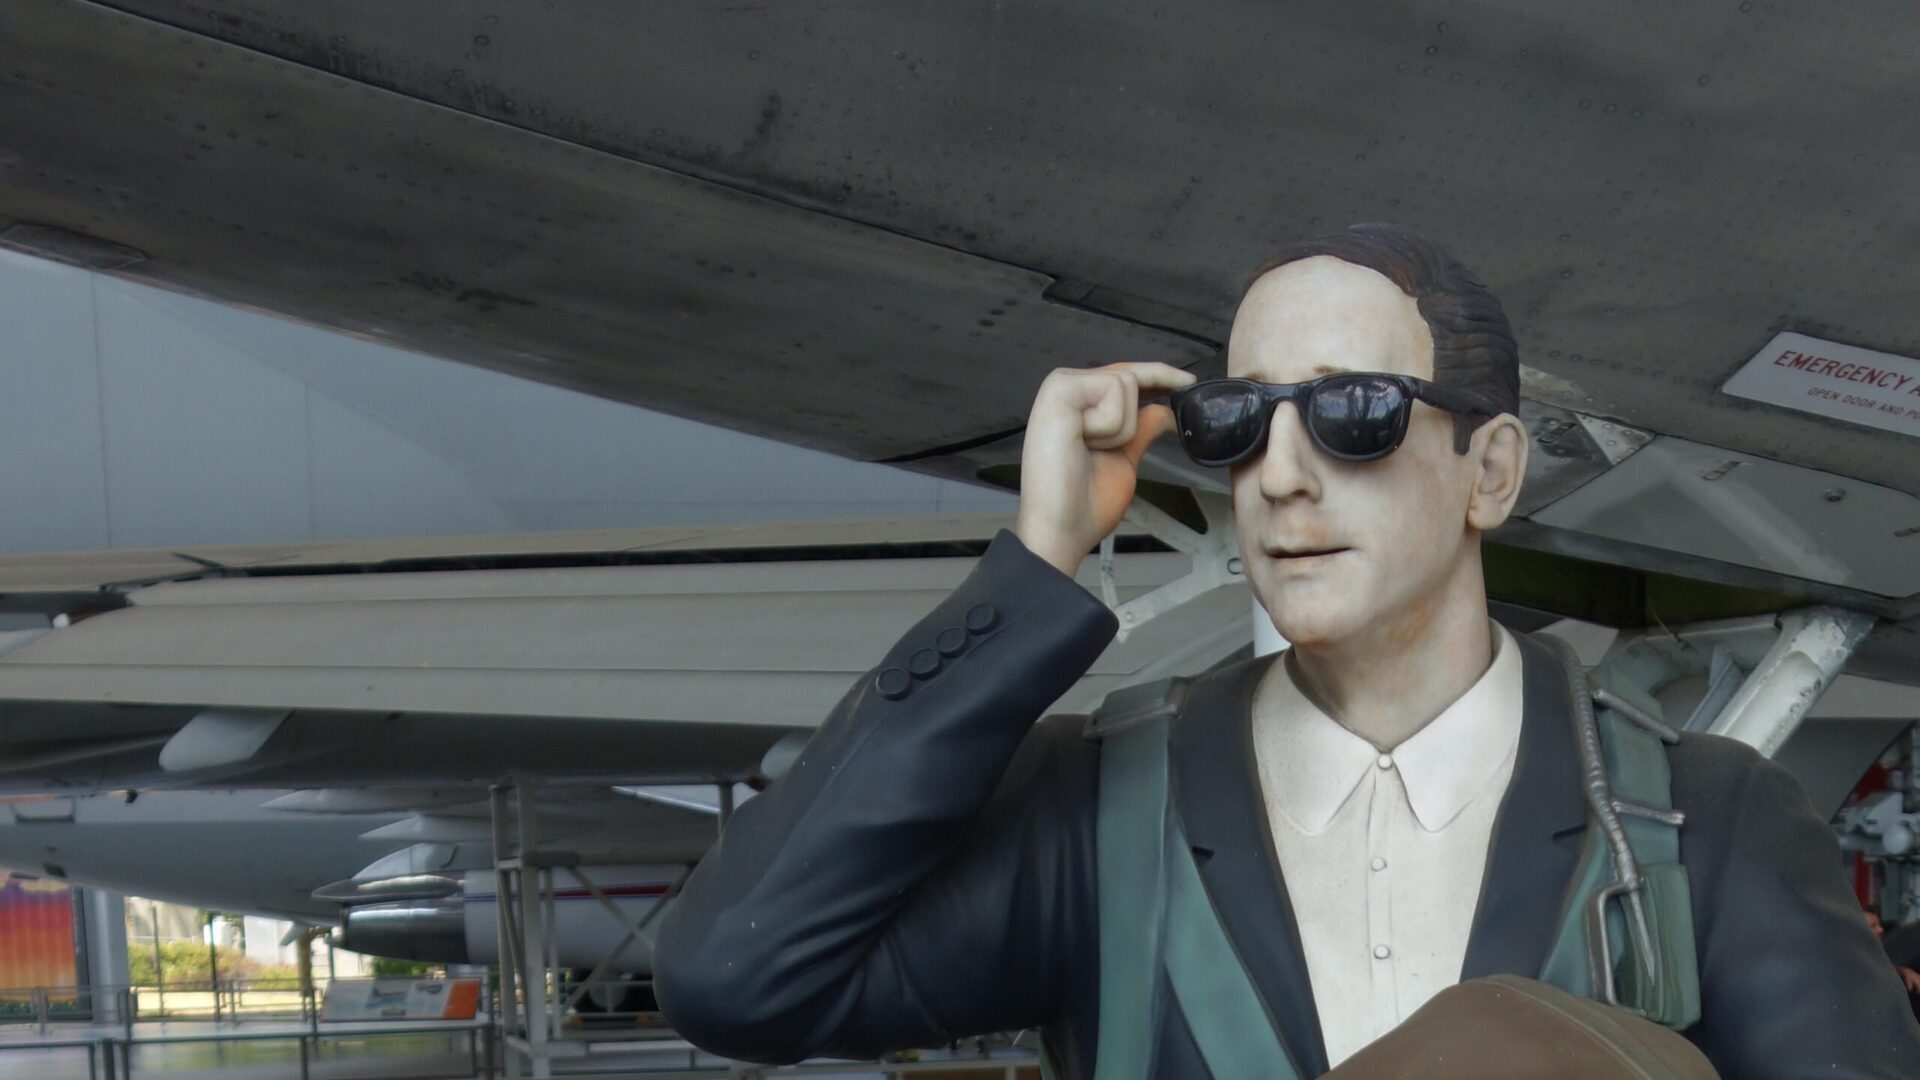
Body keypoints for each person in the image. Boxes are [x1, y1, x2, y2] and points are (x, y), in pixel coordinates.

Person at [654, 224, 1920, 1078]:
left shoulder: (1704, 824)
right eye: (1237, 420)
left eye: (1353, 412)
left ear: (1489, 471)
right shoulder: (1106, 815)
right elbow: (734, 975)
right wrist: (1037, 567)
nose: (1282, 475)